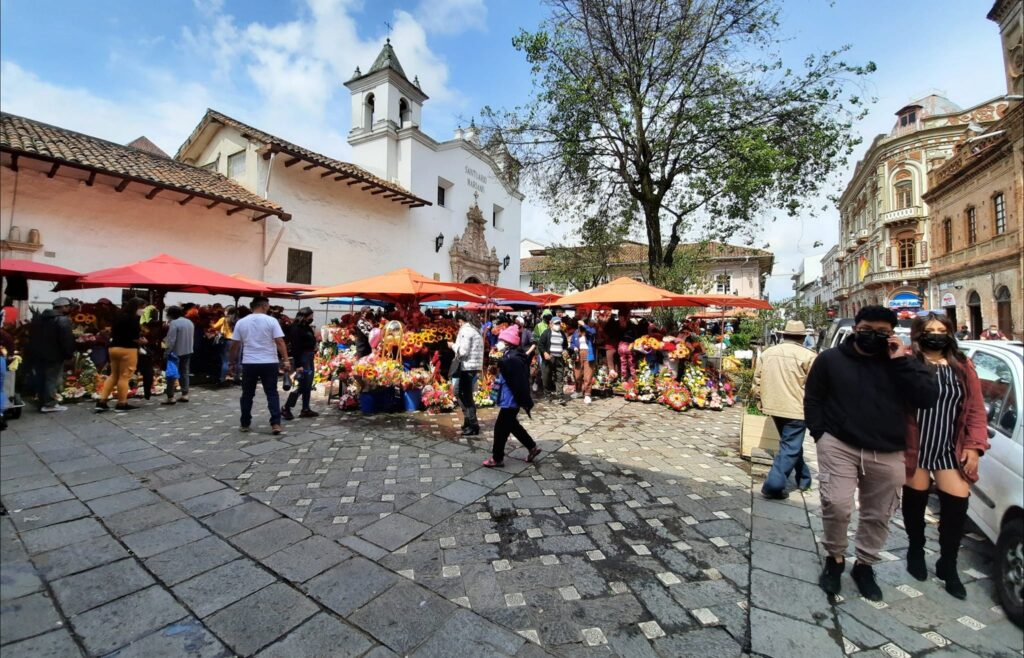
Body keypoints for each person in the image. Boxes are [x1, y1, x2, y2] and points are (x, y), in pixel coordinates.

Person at [805, 305, 938, 601]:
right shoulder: (830, 359)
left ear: (891, 334)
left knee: (879, 513)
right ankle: (835, 558)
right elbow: (813, 397)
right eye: (866, 330)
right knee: (837, 504)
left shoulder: (903, 362)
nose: (872, 337)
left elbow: (927, 397)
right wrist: (820, 435)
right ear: (856, 328)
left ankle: (865, 564)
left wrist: (900, 360)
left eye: (881, 332)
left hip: (888, 448)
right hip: (840, 443)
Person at [902, 313, 988, 599]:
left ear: (950, 334)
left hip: (950, 447)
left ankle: (947, 563)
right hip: (917, 444)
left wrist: (974, 446)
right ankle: (915, 549)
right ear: (918, 334)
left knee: (956, 508)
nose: (936, 334)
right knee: (914, 504)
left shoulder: (962, 367)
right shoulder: (908, 363)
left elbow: (975, 409)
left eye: (941, 330)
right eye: (930, 330)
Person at [752, 320, 816, 499]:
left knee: (791, 444)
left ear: (783, 335)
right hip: (796, 407)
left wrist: (760, 399)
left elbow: (757, 379)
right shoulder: (809, 356)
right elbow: (816, 386)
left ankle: (804, 478)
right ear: (803, 337)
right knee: (790, 445)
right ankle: (773, 485)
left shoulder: (768, 352)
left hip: (773, 405)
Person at [228, 296, 291, 435]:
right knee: (272, 393)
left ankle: (245, 422)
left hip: (249, 362)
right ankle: (275, 423)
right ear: (263, 306)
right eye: (268, 305)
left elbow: (234, 345)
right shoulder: (271, 321)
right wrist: (286, 360)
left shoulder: (241, 322)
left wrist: (231, 362)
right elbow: (279, 341)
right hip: (269, 362)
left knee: (247, 394)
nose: (269, 308)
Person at [483, 325, 542, 468]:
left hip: (510, 399)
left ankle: (497, 458)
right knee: (512, 425)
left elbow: (512, 376)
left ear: (508, 343)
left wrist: (498, 363)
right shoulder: (514, 355)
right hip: (511, 398)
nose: (498, 344)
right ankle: (532, 447)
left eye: (501, 341)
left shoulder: (511, 359)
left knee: (500, 429)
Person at [96, 298, 148, 413]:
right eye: (142, 307)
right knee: (125, 376)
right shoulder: (134, 319)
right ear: (137, 307)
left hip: (113, 348)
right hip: (128, 349)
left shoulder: (119, 316)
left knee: (113, 375)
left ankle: (102, 401)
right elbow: (135, 337)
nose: (143, 310)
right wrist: (142, 341)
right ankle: (122, 403)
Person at [28, 297, 75, 412]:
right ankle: (49, 404)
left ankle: (42, 401)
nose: (69, 308)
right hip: (54, 355)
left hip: (39, 354)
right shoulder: (62, 320)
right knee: (52, 379)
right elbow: (66, 340)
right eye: (68, 306)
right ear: (62, 307)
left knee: (41, 378)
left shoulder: (39, 318)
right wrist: (69, 355)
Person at [452, 311, 485, 436]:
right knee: (459, 392)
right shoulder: (475, 329)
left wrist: (452, 346)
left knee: (466, 396)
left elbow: (463, 351)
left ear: (461, 320)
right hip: (472, 366)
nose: (458, 324)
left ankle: (473, 425)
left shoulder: (466, 330)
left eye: (458, 322)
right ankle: (467, 420)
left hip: (467, 367)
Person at [162, 305, 194, 405]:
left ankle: (170, 397)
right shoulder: (189, 322)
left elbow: (171, 340)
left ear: (171, 314)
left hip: (175, 352)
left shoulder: (174, 323)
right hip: (188, 350)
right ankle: (185, 394)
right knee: (184, 372)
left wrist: (166, 352)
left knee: (171, 374)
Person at [538, 315, 569, 403]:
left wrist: (565, 350)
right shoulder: (546, 333)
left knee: (560, 377)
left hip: (559, 358)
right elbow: (540, 345)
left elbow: (565, 345)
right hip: (549, 359)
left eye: (559, 323)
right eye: (556, 323)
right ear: (550, 324)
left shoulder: (562, 333)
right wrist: (544, 353)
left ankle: (560, 395)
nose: (558, 325)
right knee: (546, 377)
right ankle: (547, 395)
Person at [568, 317, 595, 404]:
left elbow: (593, 332)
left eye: (581, 324)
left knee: (588, 375)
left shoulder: (590, 330)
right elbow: (572, 343)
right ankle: (578, 391)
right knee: (577, 374)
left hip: (588, 353)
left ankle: (587, 394)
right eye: (579, 324)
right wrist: (574, 347)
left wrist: (585, 325)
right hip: (578, 354)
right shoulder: (576, 332)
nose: (579, 325)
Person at [212, 306, 236, 385]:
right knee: (237, 361)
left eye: (225, 310)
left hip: (227, 340)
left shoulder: (224, 319)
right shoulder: (238, 319)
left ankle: (222, 379)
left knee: (225, 361)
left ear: (228, 311)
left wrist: (211, 323)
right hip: (237, 340)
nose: (224, 312)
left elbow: (215, 327)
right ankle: (237, 377)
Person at [616, 313, 637, 381]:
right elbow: (635, 336)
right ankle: (634, 377)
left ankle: (624, 378)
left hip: (621, 346)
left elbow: (617, 337)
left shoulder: (618, 326)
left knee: (623, 363)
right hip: (630, 346)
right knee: (631, 363)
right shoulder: (632, 326)